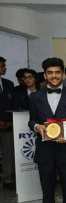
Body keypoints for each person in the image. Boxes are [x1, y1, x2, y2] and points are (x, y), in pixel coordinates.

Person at [28, 58, 66, 203]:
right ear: (45, 75)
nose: (54, 76)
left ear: (63, 74)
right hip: (44, 150)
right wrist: (36, 127)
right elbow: (31, 120)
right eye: (50, 73)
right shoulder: (35, 96)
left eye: (57, 72)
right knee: (47, 191)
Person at [0, 56, 15, 190]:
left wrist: (9, 122)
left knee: (7, 153)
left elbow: (13, 105)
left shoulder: (9, 84)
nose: (5, 68)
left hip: (7, 125)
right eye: (2, 66)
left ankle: (7, 179)